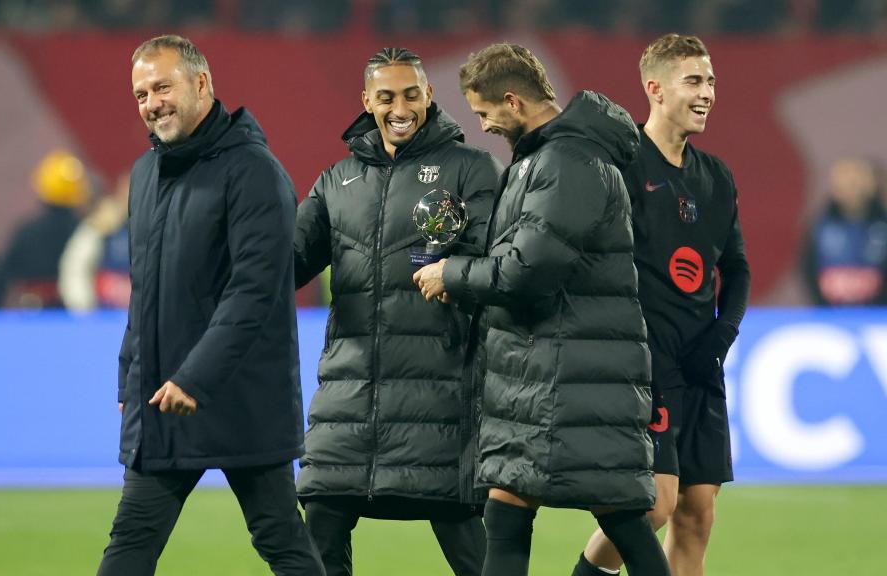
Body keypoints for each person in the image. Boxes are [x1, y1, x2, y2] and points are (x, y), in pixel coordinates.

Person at [413, 42, 669, 576]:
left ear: (514, 101)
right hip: (542, 375)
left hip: (572, 376)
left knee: (622, 521)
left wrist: (451, 275)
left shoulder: (567, 162)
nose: (481, 126)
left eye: (484, 112)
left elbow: (529, 269)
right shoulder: (547, 159)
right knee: (509, 515)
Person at [97, 35, 323, 576]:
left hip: (240, 395)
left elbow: (255, 292)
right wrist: (131, 377)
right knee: (131, 539)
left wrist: (195, 378)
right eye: (141, 94)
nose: (152, 103)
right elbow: (143, 291)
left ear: (201, 84)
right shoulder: (145, 175)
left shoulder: (255, 172)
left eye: (162, 87)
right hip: (164, 398)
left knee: (279, 538)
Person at [293, 47, 501, 576]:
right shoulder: (336, 182)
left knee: (474, 554)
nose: (399, 107)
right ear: (367, 101)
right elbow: (286, 266)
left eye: (411, 94)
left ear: (429, 96)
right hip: (347, 401)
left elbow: (489, 265)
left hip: (439, 398)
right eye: (385, 97)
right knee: (318, 533)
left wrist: (454, 271)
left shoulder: (471, 169)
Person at [571, 34, 750, 576]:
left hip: (702, 360)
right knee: (654, 504)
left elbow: (736, 267)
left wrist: (722, 337)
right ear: (655, 88)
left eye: (711, 81)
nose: (708, 93)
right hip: (643, 360)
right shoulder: (621, 167)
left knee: (698, 514)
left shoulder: (716, 176)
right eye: (694, 81)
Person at [0, 149, 89, 308]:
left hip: (34, 312)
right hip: (79, 313)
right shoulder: (87, 233)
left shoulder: (26, 232)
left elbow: (2, 276)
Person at [802, 157, 887, 306]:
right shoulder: (820, 227)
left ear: (873, 183)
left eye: (858, 178)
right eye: (845, 179)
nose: (852, 185)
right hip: (832, 315)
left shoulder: (882, 225)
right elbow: (807, 269)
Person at [58, 171, 132, 312]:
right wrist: (84, 309)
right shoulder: (101, 226)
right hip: (106, 316)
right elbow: (75, 267)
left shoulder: (166, 228)